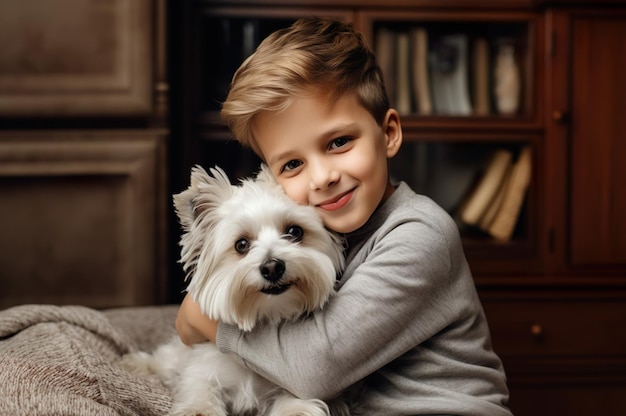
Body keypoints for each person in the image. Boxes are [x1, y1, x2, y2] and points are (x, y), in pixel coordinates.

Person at [176, 17, 512, 415]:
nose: (323, 177)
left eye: (339, 142)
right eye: (293, 164)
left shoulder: (421, 233)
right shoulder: (323, 233)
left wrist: (204, 320)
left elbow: (313, 367)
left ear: (388, 133)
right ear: (272, 177)